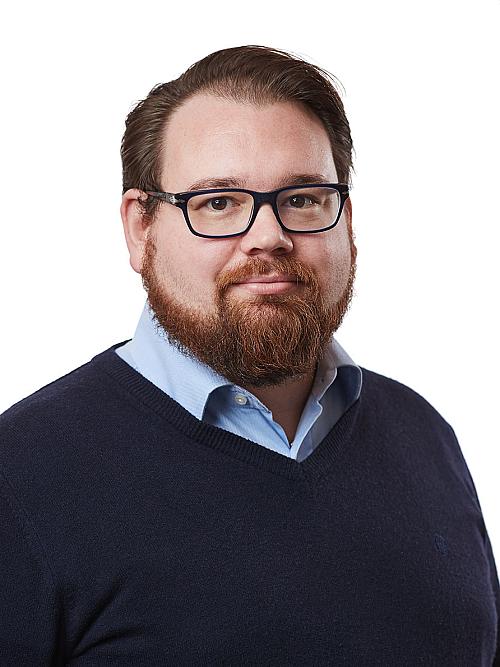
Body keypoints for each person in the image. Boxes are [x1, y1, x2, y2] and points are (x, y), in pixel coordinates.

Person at [0, 45, 498, 666]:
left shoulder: (424, 436)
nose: (269, 237)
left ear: (346, 220)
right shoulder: (20, 473)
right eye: (218, 203)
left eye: (303, 198)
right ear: (140, 228)